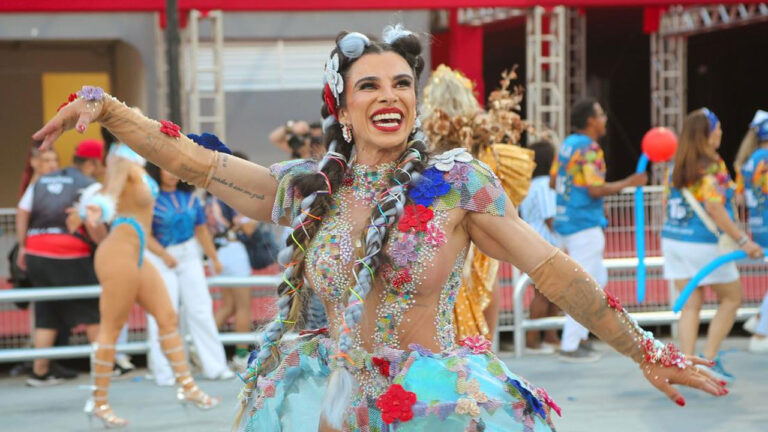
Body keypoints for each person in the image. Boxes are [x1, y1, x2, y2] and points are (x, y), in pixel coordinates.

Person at [36, 27, 726, 432]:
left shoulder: (456, 182)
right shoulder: (308, 187)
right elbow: (196, 161)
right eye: (369, 85)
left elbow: (555, 271)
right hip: (324, 399)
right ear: (342, 105)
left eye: (401, 83)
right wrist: (108, 108)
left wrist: (644, 348)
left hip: (431, 405)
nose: (390, 95)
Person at [73, 139, 221, 427]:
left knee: (167, 317)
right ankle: (99, 402)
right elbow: (109, 193)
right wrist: (97, 209)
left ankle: (187, 386)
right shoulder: (122, 161)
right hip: (118, 252)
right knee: (111, 328)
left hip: (137, 253)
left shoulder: (139, 165)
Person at [421, 64, 536, 341]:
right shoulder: (488, 150)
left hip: (436, 235)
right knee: (484, 280)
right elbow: (504, 207)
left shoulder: (419, 147)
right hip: (482, 233)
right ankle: (483, 353)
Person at [661, 108, 763, 382]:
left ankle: (686, 366)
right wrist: (743, 240)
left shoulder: (676, 165)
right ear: (706, 134)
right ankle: (709, 360)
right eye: (717, 128)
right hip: (703, 243)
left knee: (691, 304)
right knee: (732, 298)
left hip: (673, 240)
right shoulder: (711, 164)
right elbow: (715, 208)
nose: (721, 132)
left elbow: (665, 204)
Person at [551, 98, 648, 363]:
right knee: (584, 287)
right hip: (584, 225)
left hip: (566, 221)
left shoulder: (568, 145)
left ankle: (579, 339)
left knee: (597, 281)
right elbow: (594, 189)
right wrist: (631, 182)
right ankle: (571, 345)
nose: (605, 118)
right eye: (601, 114)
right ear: (591, 121)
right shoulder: (590, 148)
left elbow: (553, 180)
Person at [18, 139, 106, 387]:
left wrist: (24, 245)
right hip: (70, 253)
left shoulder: (41, 182)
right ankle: (103, 369)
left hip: (36, 252)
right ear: (93, 163)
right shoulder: (89, 186)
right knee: (92, 310)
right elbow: (92, 221)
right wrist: (104, 243)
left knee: (47, 311)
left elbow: (22, 211)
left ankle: (40, 372)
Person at [143, 162, 233, 385]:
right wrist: (163, 255)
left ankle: (215, 367)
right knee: (164, 314)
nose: (172, 174)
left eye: (175, 170)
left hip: (190, 254)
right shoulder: (148, 198)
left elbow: (201, 230)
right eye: (166, 168)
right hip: (160, 258)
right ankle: (165, 371)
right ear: (157, 170)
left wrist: (213, 257)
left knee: (201, 310)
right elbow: (143, 233)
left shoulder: (192, 198)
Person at [209, 150, 272, 372]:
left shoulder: (214, 188)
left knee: (228, 306)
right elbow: (248, 226)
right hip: (234, 250)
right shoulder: (236, 190)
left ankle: (203, 349)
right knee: (243, 306)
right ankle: (240, 355)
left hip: (219, 250)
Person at [519, 141, 562, 354]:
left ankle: (549, 336)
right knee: (544, 294)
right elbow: (550, 218)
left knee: (549, 293)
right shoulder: (545, 185)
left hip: (529, 242)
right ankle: (533, 339)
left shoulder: (528, 186)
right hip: (546, 244)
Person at [732, 109, 768, 354]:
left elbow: (740, 199)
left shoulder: (748, 161)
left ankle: (758, 318)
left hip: (758, 226)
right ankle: (761, 331)